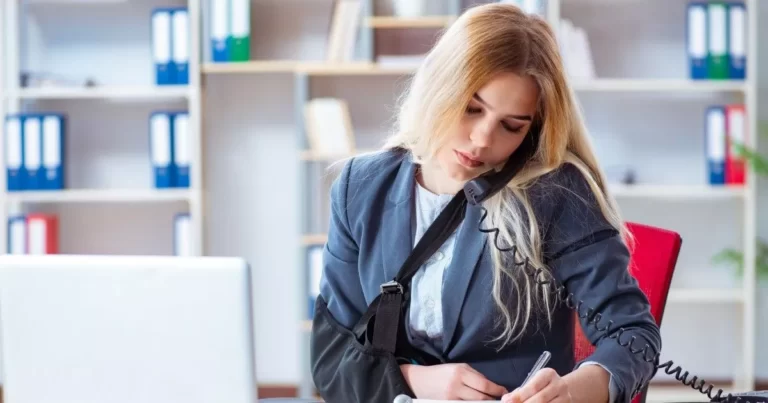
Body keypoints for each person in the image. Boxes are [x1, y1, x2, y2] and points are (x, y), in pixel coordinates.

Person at [313, 3, 661, 403]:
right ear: (438, 89)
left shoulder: (555, 192)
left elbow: (633, 335)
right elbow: (332, 354)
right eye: (471, 108)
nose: (482, 139)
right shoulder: (362, 185)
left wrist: (575, 390)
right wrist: (414, 380)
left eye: (511, 126)